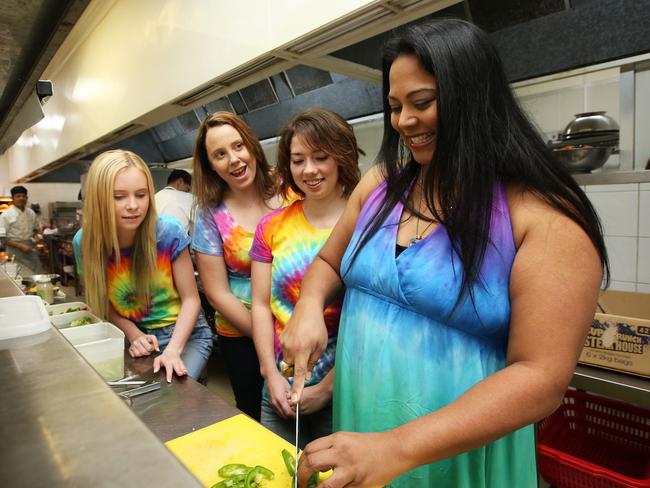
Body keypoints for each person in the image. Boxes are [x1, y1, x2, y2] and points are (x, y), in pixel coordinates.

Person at [281, 20, 608, 488]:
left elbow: (541, 377)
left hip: (455, 451)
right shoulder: (380, 187)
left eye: (422, 102)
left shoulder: (542, 216)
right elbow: (330, 263)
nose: (403, 122)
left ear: (474, 97)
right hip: (362, 426)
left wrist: (397, 447)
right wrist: (309, 307)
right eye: (394, 107)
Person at [249, 108, 361, 446]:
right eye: (298, 160)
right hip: (280, 386)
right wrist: (270, 374)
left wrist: (326, 390)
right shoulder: (271, 227)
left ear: (342, 156)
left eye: (320, 157)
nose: (308, 170)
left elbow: (370, 319)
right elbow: (259, 305)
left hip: (343, 387)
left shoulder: (365, 224)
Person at [73, 150, 212, 382]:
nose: (133, 205)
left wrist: (173, 350)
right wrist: (133, 333)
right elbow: (102, 301)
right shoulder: (85, 242)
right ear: (99, 198)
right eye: (118, 197)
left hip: (186, 336)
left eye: (141, 195)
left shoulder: (168, 232)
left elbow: (192, 300)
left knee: (175, 398)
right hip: (132, 337)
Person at [191, 112, 281, 421]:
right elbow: (217, 294)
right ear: (211, 166)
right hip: (242, 335)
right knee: (257, 418)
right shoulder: (210, 213)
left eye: (238, 146)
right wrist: (266, 336)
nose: (234, 159)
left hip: (303, 326)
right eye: (220, 154)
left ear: (252, 146)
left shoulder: (289, 185)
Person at [0, 185, 44, 273]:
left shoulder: (31, 213)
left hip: (30, 247)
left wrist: (37, 236)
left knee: (37, 272)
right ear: (13, 198)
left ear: (27, 198)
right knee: (21, 274)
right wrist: (20, 246)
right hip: (14, 249)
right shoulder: (5, 215)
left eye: (24, 196)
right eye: (18, 196)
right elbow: (2, 237)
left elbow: (36, 229)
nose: (21, 198)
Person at [154, 169, 194, 233]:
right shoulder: (189, 198)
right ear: (180, 181)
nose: (187, 192)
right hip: (178, 242)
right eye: (187, 189)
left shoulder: (154, 197)